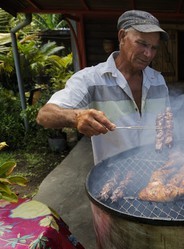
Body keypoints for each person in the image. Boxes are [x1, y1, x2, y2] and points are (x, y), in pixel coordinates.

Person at [37, 10, 170, 164]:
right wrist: (76, 117)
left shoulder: (158, 80)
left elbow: (166, 124)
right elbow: (45, 115)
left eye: (154, 47)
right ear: (122, 36)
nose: (148, 54)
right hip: (114, 178)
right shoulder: (90, 79)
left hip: (157, 175)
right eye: (142, 43)